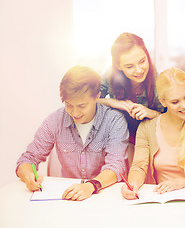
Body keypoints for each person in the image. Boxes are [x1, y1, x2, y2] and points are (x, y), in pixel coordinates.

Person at [16, 66, 129, 201]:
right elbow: (28, 159)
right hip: (70, 198)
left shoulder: (114, 121)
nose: (75, 113)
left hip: (104, 195)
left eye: (82, 106)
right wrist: (28, 174)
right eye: (69, 105)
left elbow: (116, 166)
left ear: (97, 97)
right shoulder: (55, 120)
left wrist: (90, 186)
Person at [121, 67, 185, 200]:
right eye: (175, 102)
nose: (184, 105)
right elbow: (139, 166)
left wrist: (184, 183)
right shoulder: (147, 129)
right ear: (163, 101)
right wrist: (131, 185)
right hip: (160, 201)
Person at [100, 33, 164, 145]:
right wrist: (114, 102)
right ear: (118, 66)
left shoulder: (159, 83)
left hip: (150, 141)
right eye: (129, 66)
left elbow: (173, 121)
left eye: (142, 61)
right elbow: (88, 100)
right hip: (118, 139)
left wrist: (152, 113)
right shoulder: (110, 75)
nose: (139, 70)